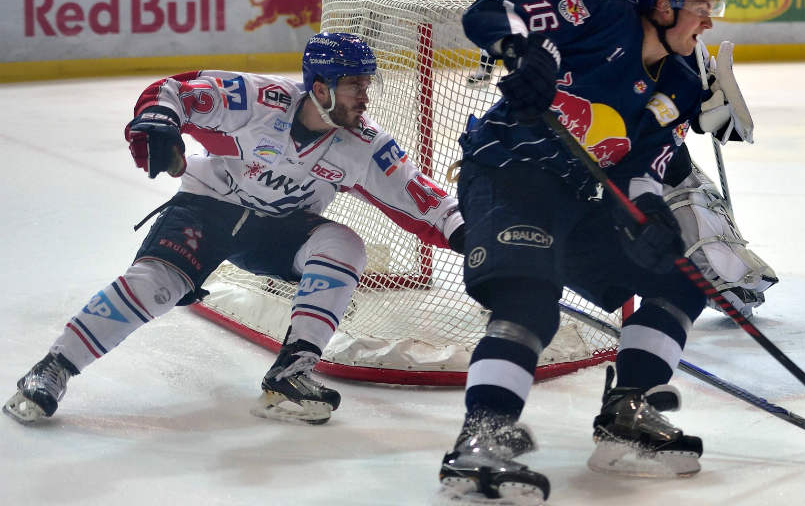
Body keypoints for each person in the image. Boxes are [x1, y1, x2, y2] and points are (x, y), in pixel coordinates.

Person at [3, 33, 465, 426]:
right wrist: (159, 122)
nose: (363, 97)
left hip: (277, 231)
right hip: (208, 209)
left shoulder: (365, 146)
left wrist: (472, 235)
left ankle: (292, 373)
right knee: (156, 285)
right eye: (352, 85)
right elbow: (175, 91)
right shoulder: (260, 101)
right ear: (319, 87)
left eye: (366, 84)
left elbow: (423, 199)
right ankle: (52, 368)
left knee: (343, 244)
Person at [438, 0, 747, 504]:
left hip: (580, 195)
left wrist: (648, 213)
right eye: (701, 7)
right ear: (662, 4)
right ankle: (481, 437)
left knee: (679, 280)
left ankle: (627, 412)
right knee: (530, 302)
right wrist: (523, 53)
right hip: (508, 170)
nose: (708, 21)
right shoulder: (600, 11)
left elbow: (640, 164)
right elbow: (488, 12)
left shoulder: (678, 81)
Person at [505, 0, 774, 318]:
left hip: (551, 111)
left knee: (551, 192)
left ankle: (512, 277)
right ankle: (729, 284)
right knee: (679, 179)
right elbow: (674, 31)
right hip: (618, 104)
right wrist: (704, 91)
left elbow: (504, 6)